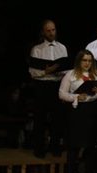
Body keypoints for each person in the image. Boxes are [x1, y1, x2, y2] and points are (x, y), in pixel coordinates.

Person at [58, 50, 97, 173]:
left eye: (90, 61)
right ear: (79, 61)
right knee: (74, 145)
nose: (87, 63)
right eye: (84, 60)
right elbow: (61, 93)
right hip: (77, 111)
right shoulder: (71, 74)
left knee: (93, 145)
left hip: (93, 110)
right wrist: (75, 97)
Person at [28, 19, 68, 158]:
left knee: (57, 118)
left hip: (57, 85)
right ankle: (39, 148)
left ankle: (55, 147)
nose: (51, 33)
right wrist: (46, 71)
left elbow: (66, 68)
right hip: (42, 86)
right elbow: (33, 71)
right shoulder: (37, 49)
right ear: (43, 32)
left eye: (53, 30)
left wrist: (57, 70)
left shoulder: (62, 48)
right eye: (48, 30)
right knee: (40, 118)